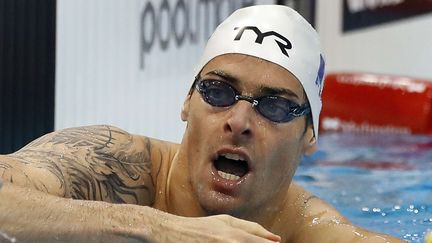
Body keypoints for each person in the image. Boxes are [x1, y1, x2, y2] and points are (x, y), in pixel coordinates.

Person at [0, 5, 403, 243]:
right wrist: (162, 231)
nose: (239, 121)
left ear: (310, 134)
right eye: (218, 91)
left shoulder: (308, 230)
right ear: (187, 100)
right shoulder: (117, 165)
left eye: (275, 107)